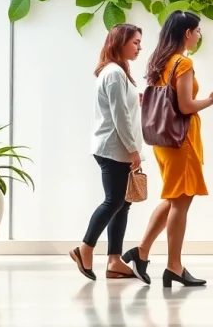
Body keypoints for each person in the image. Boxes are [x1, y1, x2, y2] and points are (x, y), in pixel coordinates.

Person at [127, 10, 213, 288]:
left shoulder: (159, 61)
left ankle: (141, 252)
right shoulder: (183, 62)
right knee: (181, 202)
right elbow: (185, 106)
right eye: (198, 31)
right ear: (187, 33)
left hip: (163, 139)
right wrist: (211, 100)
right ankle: (173, 267)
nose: (199, 36)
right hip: (181, 141)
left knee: (173, 198)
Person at [70, 24, 146, 283]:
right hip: (114, 148)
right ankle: (85, 249)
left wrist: (135, 100)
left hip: (117, 148)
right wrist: (133, 150)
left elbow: (121, 107)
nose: (139, 47)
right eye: (135, 42)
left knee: (123, 203)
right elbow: (119, 116)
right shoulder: (114, 73)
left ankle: (114, 261)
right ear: (120, 42)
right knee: (114, 201)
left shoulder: (117, 72)